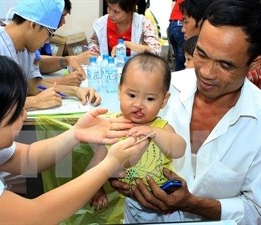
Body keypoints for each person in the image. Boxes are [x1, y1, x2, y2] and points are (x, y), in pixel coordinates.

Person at [110, 0, 261, 224]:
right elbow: (115, 144)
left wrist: (192, 204)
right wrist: (114, 176)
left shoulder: (256, 121)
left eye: (225, 65)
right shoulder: (158, 90)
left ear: (254, 64)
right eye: (201, 53)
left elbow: (255, 209)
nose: (207, 73)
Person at [0, 47, 150, 224]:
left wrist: (75, 133)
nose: (24, 115)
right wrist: (109, 164)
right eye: (14, 114)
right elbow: (35, 215)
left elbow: (28, 157)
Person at [88, 52, 186, 223]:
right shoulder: (113, 127)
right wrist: (96, 189)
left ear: (164, 100)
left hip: (165, 203)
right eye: (131, 95)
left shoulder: (160, 127)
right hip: (133, 204)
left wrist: (153, 133)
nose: (138, 104)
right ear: (119, 91)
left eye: (149, 98)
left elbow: (179, 149)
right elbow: (95, 165)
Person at [0, 0, 101, 111]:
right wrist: (34, 102)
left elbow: (33, 86)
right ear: (33, 25)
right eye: (50, 34)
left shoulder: (26, 49)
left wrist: (75, 91)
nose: (48, 41)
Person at [36, 0, 99, 87]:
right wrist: (61, 82)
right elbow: (29, 85)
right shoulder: (22, 43)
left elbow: (38, 63)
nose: (63, 22)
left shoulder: (42, 34)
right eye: (62, 16)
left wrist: (67, 60)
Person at [88, 0, 162, 57]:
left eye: (116, 12)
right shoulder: (102, 23)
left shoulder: (143, 24)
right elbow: (94, 43)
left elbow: (156, 50)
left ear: (129, 11)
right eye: (109, 8)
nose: (110, 14)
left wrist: (126, 44)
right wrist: (95, 54)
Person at [167, 0, 185, 71]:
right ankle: (180, 76)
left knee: (178, 57)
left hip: (172, 25)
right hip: (180, 25)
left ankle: (178, 73)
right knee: (182, 59)